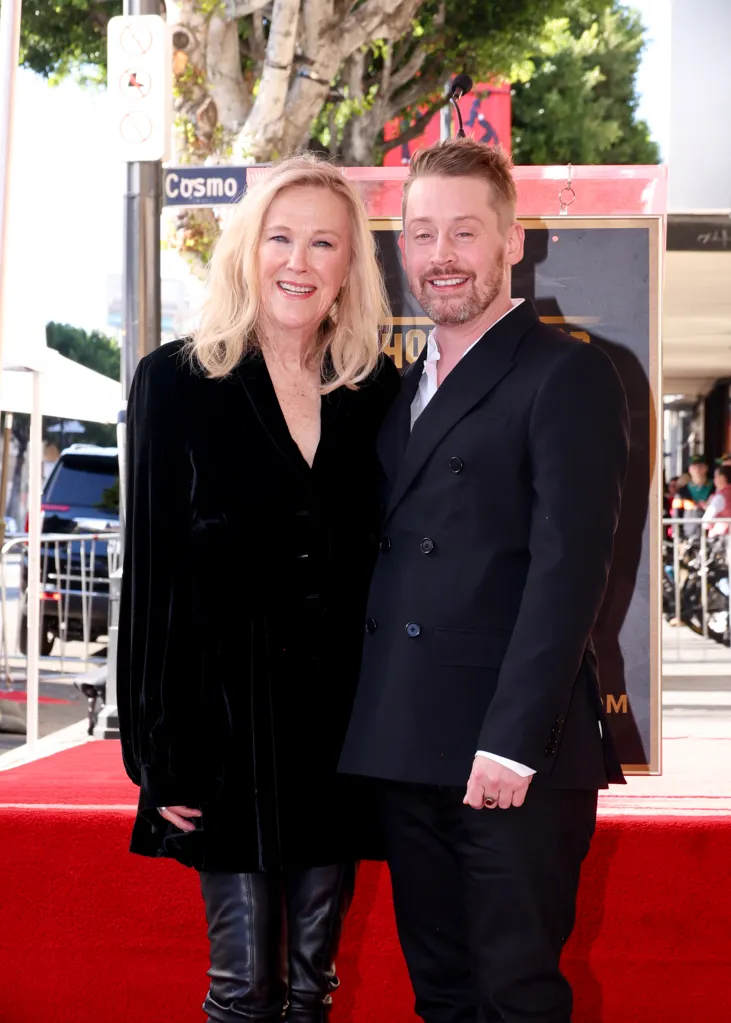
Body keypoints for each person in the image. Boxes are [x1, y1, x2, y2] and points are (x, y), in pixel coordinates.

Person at [339, 137, 630, 1023]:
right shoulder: (398, 390)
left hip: (509, 755)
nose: (442, 255)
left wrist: (511, 743)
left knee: (516, 994)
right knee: (442, 994)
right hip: (406, 744)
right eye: (423, 234)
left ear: (512, 242)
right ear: (401, 248)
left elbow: (568, 569)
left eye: (464, 232)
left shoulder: (565, 372)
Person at [116, 154, 399, 1023]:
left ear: (349, 265)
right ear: (246, 249)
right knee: (245, 990)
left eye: (323, 243)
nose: (298, 262)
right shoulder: (175, 380)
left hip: (339, 727)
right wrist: (156, 751)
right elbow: (151, 574)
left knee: (311, 987)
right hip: (224, 727)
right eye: (280, 238)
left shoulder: (374, 389)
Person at [672, 455, 713, 535]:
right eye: (694, 466)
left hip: (711, 534)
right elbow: (676, 515)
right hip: (689, 534)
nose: (697, 469)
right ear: (689, 470)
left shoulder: (714, 488)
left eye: (700, 466)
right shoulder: (682, 492)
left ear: (706, 468)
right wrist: (677, 535)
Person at [703, 464, 731, 536]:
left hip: (723, 537)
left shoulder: (720, 496)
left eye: (715, 477)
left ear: (722, 478)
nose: (714, 480)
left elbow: (706, 521)